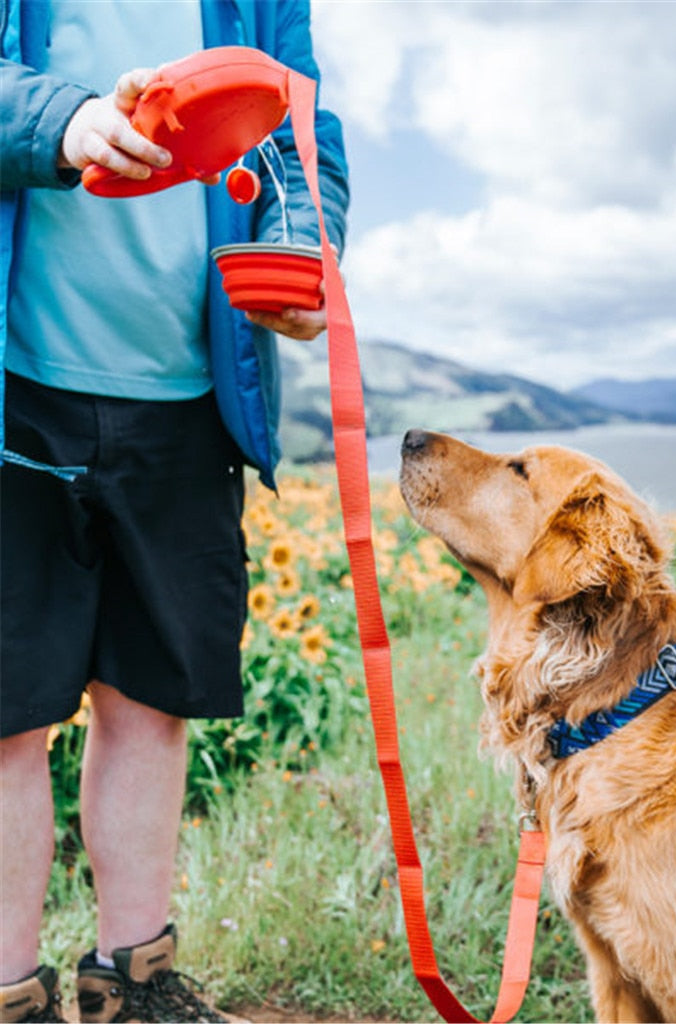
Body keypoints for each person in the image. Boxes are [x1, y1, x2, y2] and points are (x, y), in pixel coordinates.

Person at [0, 2, 349, 1021]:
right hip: (16, 393)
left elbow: (301, 134)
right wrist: (57, 120)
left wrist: (297, 251)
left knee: (152, 703)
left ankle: (134, 985)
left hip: (193, 398)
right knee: (7, 718)